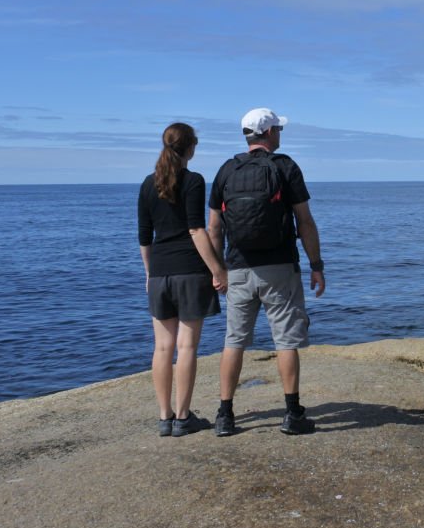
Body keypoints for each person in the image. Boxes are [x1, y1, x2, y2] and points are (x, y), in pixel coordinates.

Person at [207, 107, 325, 437]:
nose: (280, 135)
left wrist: (218, 270)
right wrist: (316, 265)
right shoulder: (285, 167)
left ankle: (225, 416)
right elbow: (304, 221)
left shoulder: (226, 170)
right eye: (278, 130)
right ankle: (292, 414)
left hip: (238, 269)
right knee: (286, 341)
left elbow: (214, 228)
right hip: (279, 268)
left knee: (234, 342)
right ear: (270, 133)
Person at [138, 122, 228, 437]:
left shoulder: (148, 184)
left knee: (162, 347)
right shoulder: (194, 181)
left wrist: (150, 273)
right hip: (190, 271)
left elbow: (144, 238)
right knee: (186, 346)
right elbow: (195, 230)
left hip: (160, 272)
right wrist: (217, 269)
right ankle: (183, 417)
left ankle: (164, 418)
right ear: (190, 148)